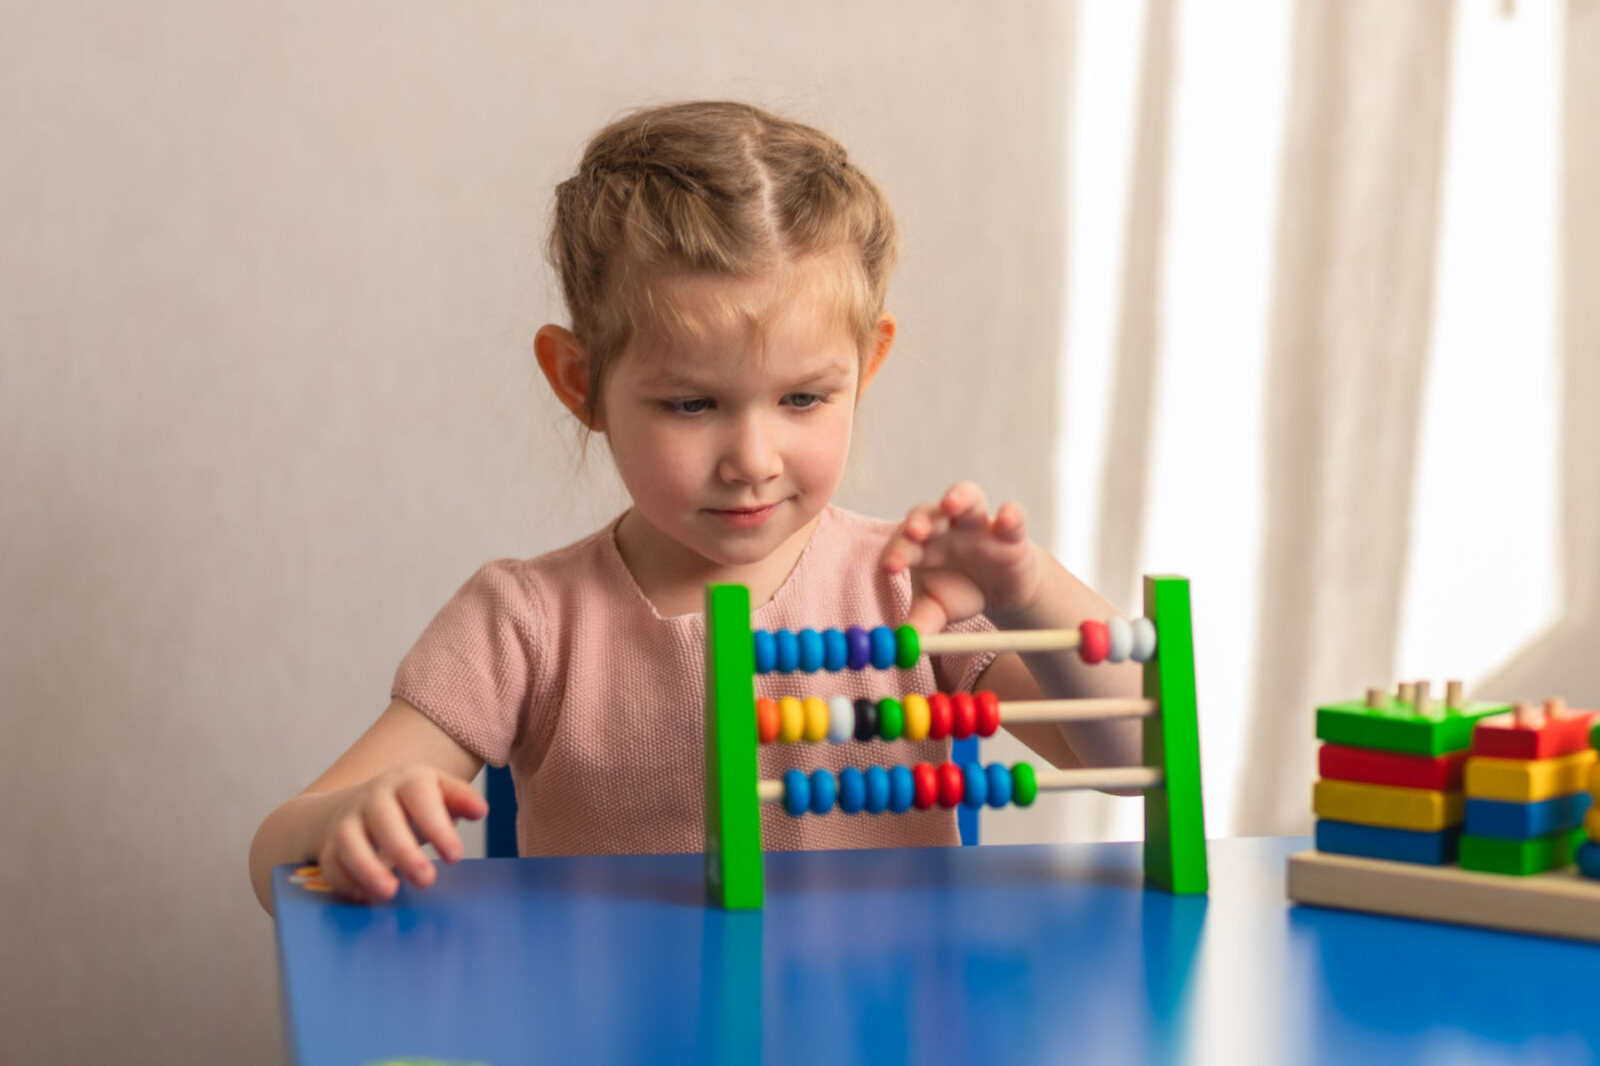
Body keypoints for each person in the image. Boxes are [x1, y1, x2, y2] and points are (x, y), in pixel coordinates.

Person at [248, 100, 1142, 914]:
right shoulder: (523, 622)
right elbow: (273, 851)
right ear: (580, 382)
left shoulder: (913, 591)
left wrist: (1029, 589)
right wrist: (348, 821)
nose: (751, 461)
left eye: (802, 400)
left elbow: (1130, 756)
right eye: (691, 404)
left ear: (865, 368)